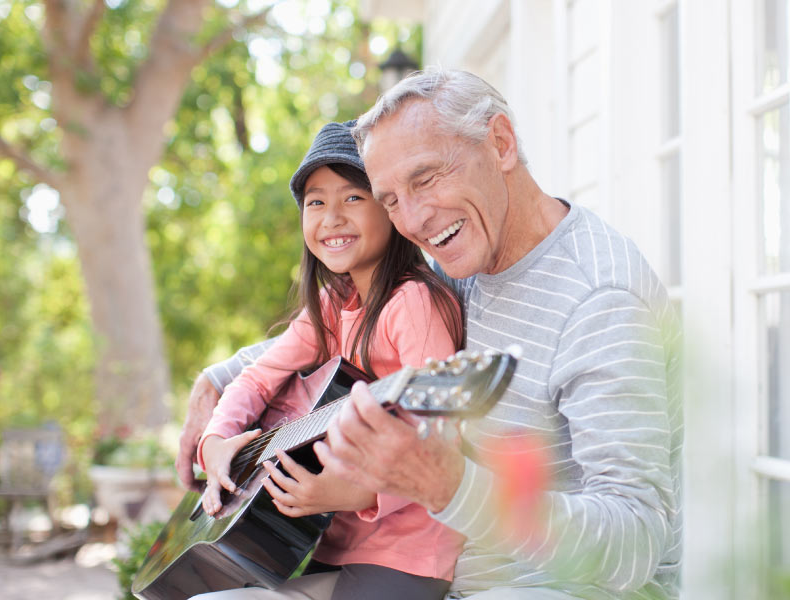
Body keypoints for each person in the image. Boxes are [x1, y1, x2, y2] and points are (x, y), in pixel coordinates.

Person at [179, 69, 683, 599]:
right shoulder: (462, 261)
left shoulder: (598, 298)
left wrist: (451, 487)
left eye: (425, 178)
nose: (414, 221)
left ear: (501, 144)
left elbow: (637, 540)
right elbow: (348, 328)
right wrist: (218, 382)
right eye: (390, 199)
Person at [190, 120, 466, 600]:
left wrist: (356, 494)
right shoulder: (333, 305)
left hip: (408, 552)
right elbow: (256, 380)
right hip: (336, 540)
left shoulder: (413, 303)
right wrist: (215, 442)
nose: (332, 217)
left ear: (391, 209)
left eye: (353, 198)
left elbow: (437, 431)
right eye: (316, 202)